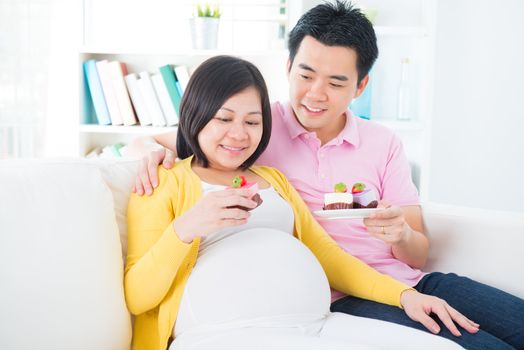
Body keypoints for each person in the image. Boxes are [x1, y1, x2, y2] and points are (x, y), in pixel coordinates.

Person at [128, 2, 524, 349]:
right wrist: (146, 152)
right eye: (305, 75)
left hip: (408, 282)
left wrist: (401, 234)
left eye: (336, 82)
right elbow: (191, 138)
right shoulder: (256, 128)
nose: (315, 94)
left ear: (360, 86)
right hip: (338, 296)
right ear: (287, 67)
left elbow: (418, 253)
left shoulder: (381, 142)